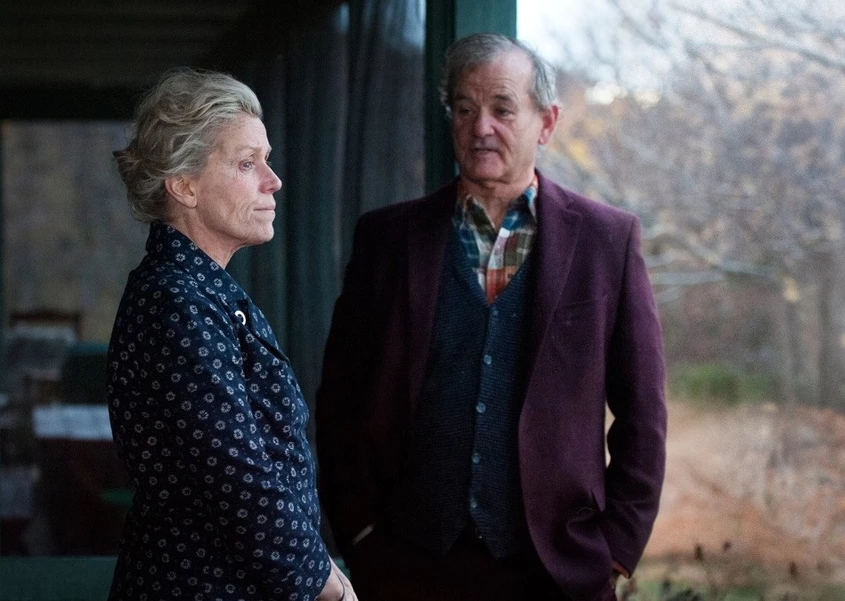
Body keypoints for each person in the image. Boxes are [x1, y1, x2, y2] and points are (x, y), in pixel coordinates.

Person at [316, 33, 667, 601]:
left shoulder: (608, 241)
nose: (481, 127)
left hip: (556, 573)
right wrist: (359, 531)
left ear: (546, 122)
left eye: (502, 109)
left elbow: (643, 414)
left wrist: (615, 550)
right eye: (464, 109)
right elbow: (340, 399)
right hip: (407, 567)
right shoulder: (386, 238)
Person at [107, 68, 356, 601]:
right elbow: (236, 476)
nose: (273, 180)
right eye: (247, 163)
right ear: (184, 184)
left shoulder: (202, 291)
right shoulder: (177, 301)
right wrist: (325, 583)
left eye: (266, 160)